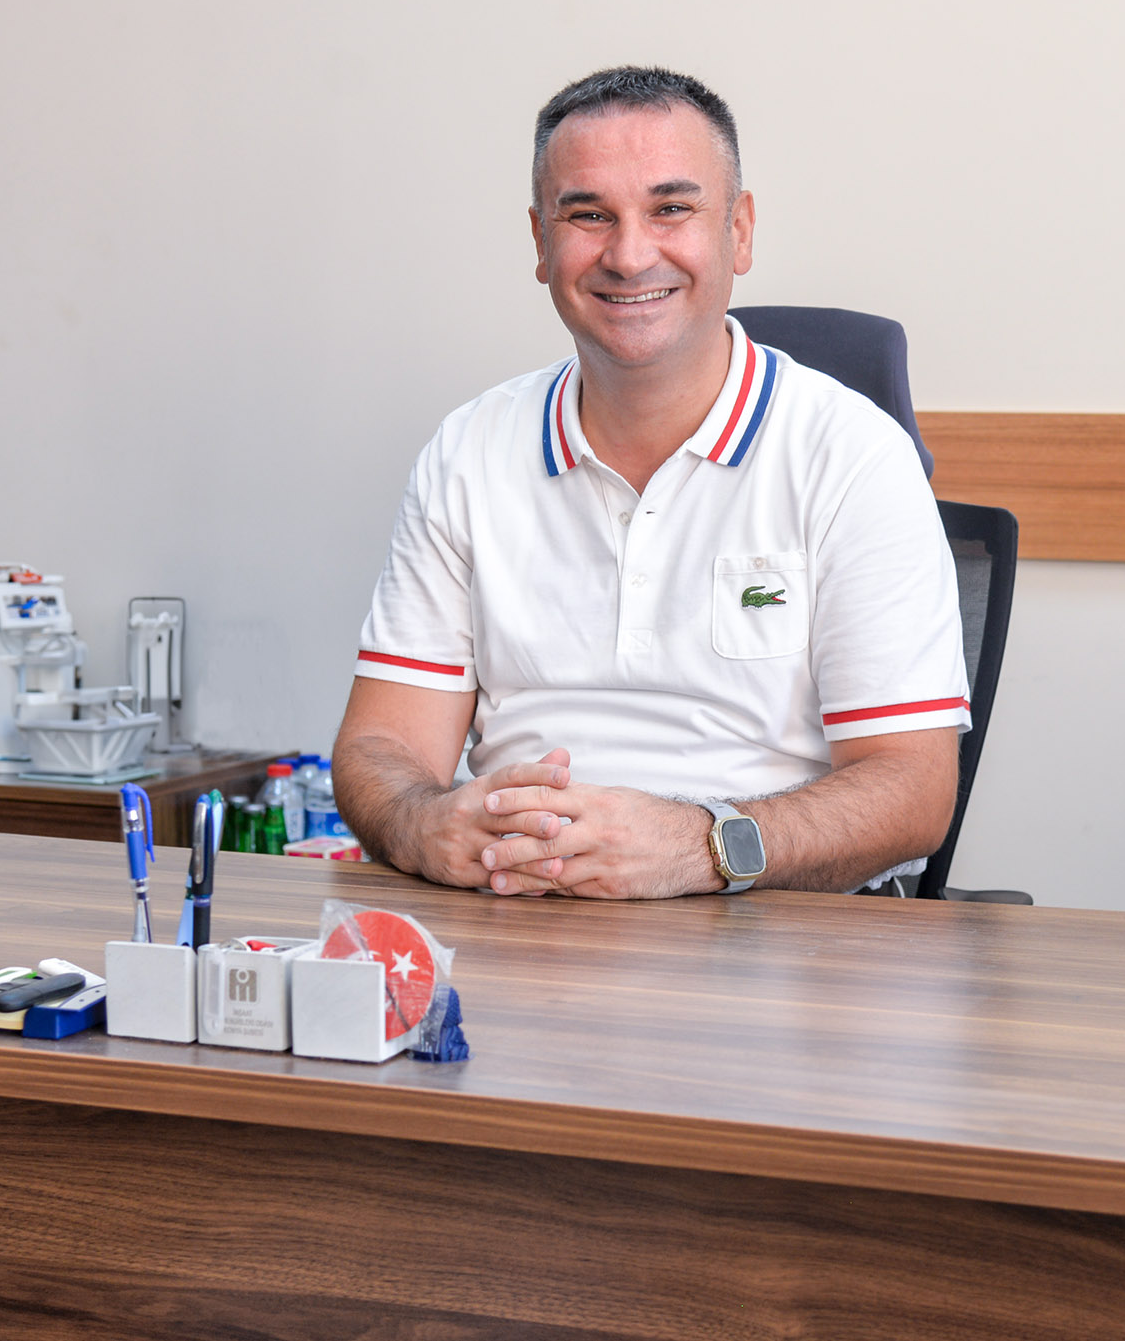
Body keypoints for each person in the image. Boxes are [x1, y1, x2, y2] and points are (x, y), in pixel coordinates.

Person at [331, 66, 970, 898]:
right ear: (540, 242)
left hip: (776, 937)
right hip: (520, 926)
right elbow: (380, 748)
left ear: (739, 231)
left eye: (671, 209)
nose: (629, 255)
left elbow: (915, 792)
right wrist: (424, 823)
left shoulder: (852, 457)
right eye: (588, 215)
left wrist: (698, 845)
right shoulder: (468, 450)